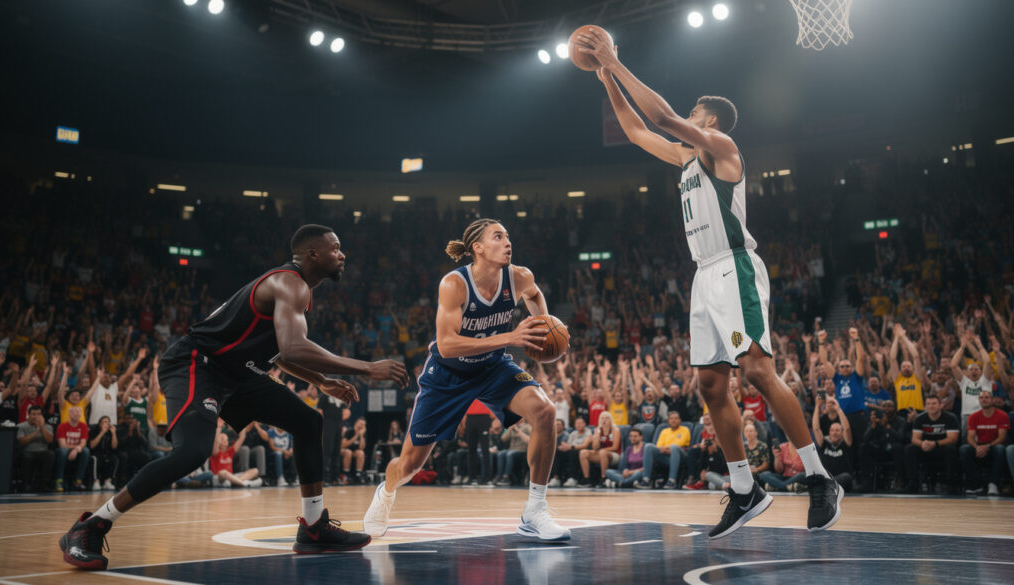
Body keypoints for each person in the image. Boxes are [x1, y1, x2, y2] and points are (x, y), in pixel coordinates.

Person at [579, 32, 841, 538]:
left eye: (695, 113)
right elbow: (636, 130)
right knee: (711, 386)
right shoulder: (686, 160)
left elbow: (661, 118)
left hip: (734, 267)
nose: (688, 116)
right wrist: (606, 77)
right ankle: (745, 489)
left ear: (711, 121)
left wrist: (616, 60)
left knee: (758, 372)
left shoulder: (723, 148)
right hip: (704, 276)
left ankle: (819, 476)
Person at [59, 224, 408, 569]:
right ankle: (92, 525)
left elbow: (280, 354)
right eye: (336, 248)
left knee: (307, 421)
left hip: (236, 373)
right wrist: (366, 368)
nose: (342, 254)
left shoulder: (294, 289)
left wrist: (320, 381)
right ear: (313, 254)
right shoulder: (289, 283)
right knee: (192, 452)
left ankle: (314, 527)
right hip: (197, 363)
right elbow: (293, 347)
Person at [363, 219, 569, 542]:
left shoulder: (520, 277)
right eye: (498, 237)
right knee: (410, 465)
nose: (507, 242)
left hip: (492, 366)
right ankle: (386, 493)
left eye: (508, 236)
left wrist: (542, 325)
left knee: (545, 411)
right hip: (448, 375)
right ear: (478, 247)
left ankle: (535, 510)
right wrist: (510, 337)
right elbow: (447, 344)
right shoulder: (454, 284)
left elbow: (535, 294)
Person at [959, 390, 1008, 495]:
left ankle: (993, 484)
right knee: (964, 449)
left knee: (1000, 449)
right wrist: (977, 447)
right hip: (980, 446)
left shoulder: (1002, 415)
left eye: (986, 397)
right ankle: (975, 484)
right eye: (981, 398)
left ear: (992, 400)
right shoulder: (973, 416)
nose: (984, 400)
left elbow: (1002, 438)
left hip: (994, 446)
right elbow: (970, 438)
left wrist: (987, 446)